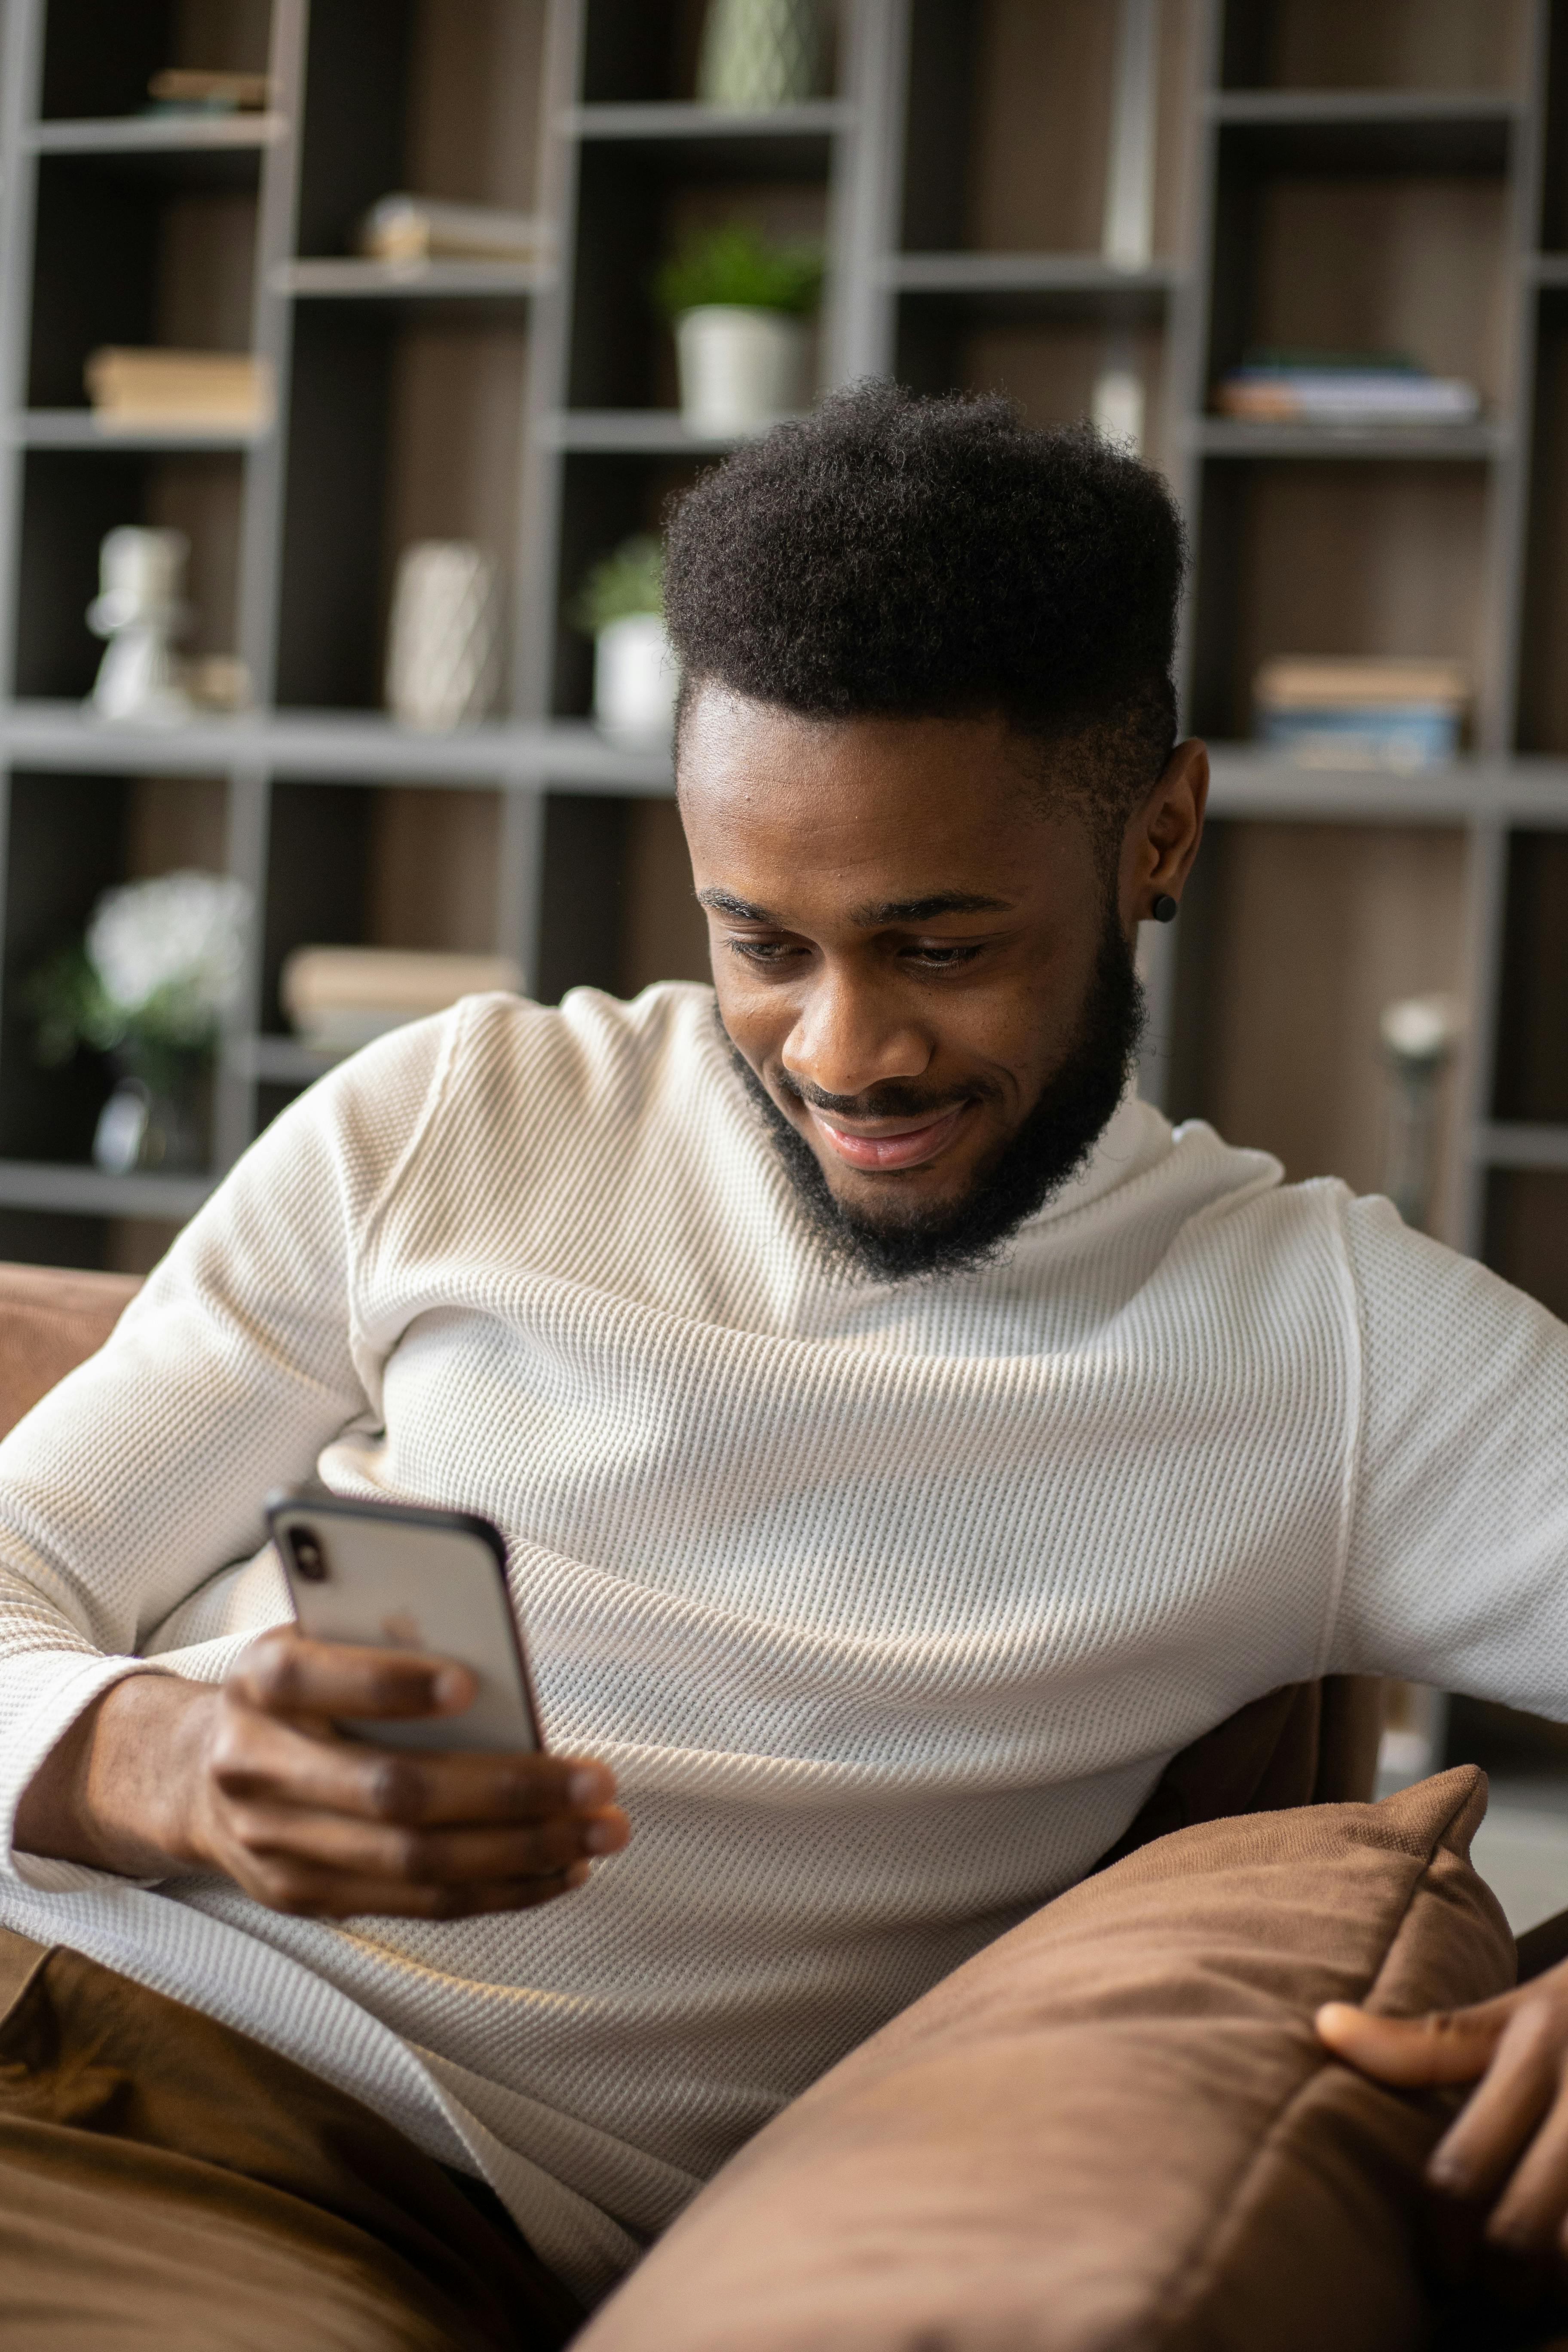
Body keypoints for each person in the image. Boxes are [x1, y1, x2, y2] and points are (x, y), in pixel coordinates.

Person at [0, 382, 1566, 2343]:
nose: (842, 1052)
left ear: (1157, 834)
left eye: (941, 947)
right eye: (763, 940)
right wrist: (145, 1760)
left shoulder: (1323, 1349)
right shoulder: (461, 1112)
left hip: (284, 2184)